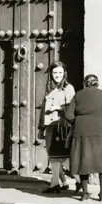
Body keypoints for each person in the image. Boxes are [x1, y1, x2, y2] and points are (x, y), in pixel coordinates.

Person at [63, 74, 102, 202]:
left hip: (82, 133)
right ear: (97, 83)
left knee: (83, 162)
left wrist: (79, 123)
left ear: (85, 83)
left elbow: (69, 115)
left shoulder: (78, 95)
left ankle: (85, 193)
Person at [38, 61, 75, 194]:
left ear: (64, 73)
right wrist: (41, 127)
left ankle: (55, 185)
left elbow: (72, 107)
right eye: (55, 72)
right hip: (50, 125)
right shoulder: (50, 87)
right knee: (52, 154)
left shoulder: (68, 88)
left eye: (60, 72)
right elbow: (43, 109)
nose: (57, 75)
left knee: (57, 156)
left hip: (61, 125)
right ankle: (64, 182)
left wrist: (58, 108)